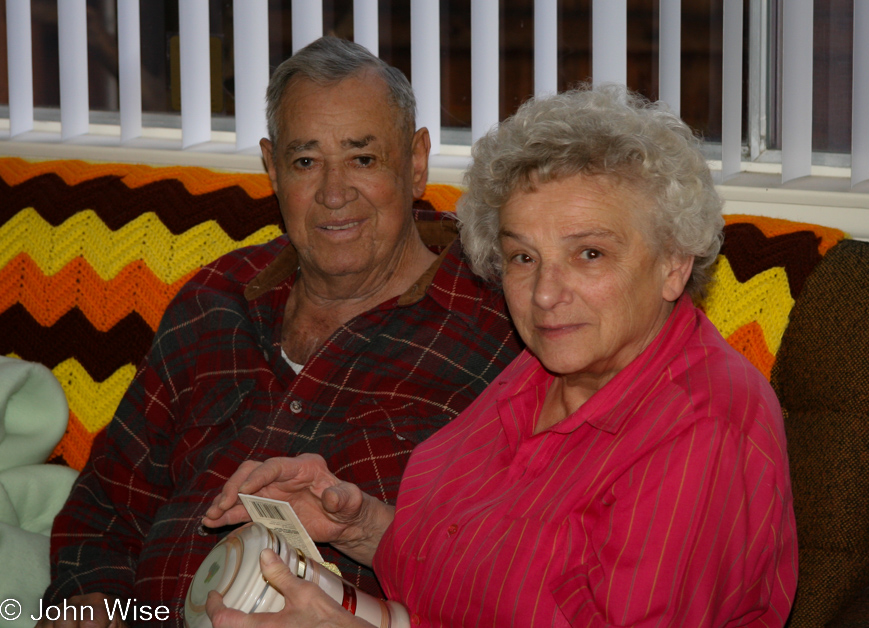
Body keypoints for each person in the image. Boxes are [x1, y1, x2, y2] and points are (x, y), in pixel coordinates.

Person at [203, 84, 799, 627]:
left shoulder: (702, 428)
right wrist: (361, 528)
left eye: (589, 254)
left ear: (674, 262)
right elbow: (484, 582)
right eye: (522, 257)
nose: (544, 294)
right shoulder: (543, 371)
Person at [39, 37, 521, 628]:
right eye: (305, 161)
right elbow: (105, 511)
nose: (334, 193)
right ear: (271, 167)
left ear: (416, 162)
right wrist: (94, 610)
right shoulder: (215, 301)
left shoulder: (503, 324)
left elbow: (512, 566)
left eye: (363, 159)